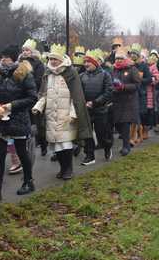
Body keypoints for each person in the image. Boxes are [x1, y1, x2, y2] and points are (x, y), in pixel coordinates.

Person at [32, 45, 92, 180]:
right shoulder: (48, 73)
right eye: (51, 58)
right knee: (55, 145)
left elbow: (75, 96)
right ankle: (62, 168)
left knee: (65, 143)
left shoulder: (70, 72)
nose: (53, 61)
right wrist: (39, 106)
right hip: (51, 115)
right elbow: (45, 94)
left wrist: (73, 113)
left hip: (66, 116)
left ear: (61, 59)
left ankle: (68, 169)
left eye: (55, 59)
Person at [0, 45, 38, 201]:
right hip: (0, 119)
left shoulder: (24, 74)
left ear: (15, 58)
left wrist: (12, 106)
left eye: (7, 57)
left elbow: (32, 98)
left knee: (22, 152)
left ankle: (28, 181)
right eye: (2, 57)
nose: (4, 60)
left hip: (18, 119)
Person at [79, 49, 113, 164]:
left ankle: (107, 146)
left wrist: (95, 102)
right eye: (85, 62)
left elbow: (108, 91)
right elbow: (79, 92)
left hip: (100, 110)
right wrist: (83, 102)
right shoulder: (82, 76)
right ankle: (90, 155)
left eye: (88, 62)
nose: (86, 64)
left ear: (95, 63)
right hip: (86, 110)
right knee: (87, 134)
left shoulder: (105, 75)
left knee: (101, 134)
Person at [110, 47, 142, 156]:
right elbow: (111, 82)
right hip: (117, 100)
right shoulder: (114, 69)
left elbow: (137, 85)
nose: (118, 60)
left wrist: (124, 87)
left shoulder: (132, 69)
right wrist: (114, 88)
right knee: (118, 124)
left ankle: (126, 146)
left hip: (129, 101)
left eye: (120, 58)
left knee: (124, 124)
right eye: (117, 58)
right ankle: (126, 142)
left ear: (125, 59)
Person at [20, 38, 47, 156]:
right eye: (23, 50)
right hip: (22, 95)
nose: (25, 52)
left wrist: (27, 84)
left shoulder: (38, 63)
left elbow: (39, 79)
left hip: (35, 95)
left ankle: (43, 143)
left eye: (27, 50)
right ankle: (29, 143)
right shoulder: (20, 62)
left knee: (37, 123)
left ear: (32, 51)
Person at [129, 44, 152, 145]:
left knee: (139, 115)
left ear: (138, 55)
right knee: (133, 116)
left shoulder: (143, 66)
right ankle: (133, 137)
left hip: (141, 94)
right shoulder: (129, 66)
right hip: (130, 94)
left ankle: (140, 135)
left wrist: (140, 80)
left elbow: (149, 79)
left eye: (135, 54)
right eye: (132, 53)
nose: (133, 55)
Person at [146, 51, 159, 133]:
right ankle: (151, 123)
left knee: (154, 106)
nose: (150, 60)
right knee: (150, 107)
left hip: (154, 89)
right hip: (148, 89)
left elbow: (156, 78)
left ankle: (155, 123)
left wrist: (150, 80)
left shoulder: (155, 67)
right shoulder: (147, 66)